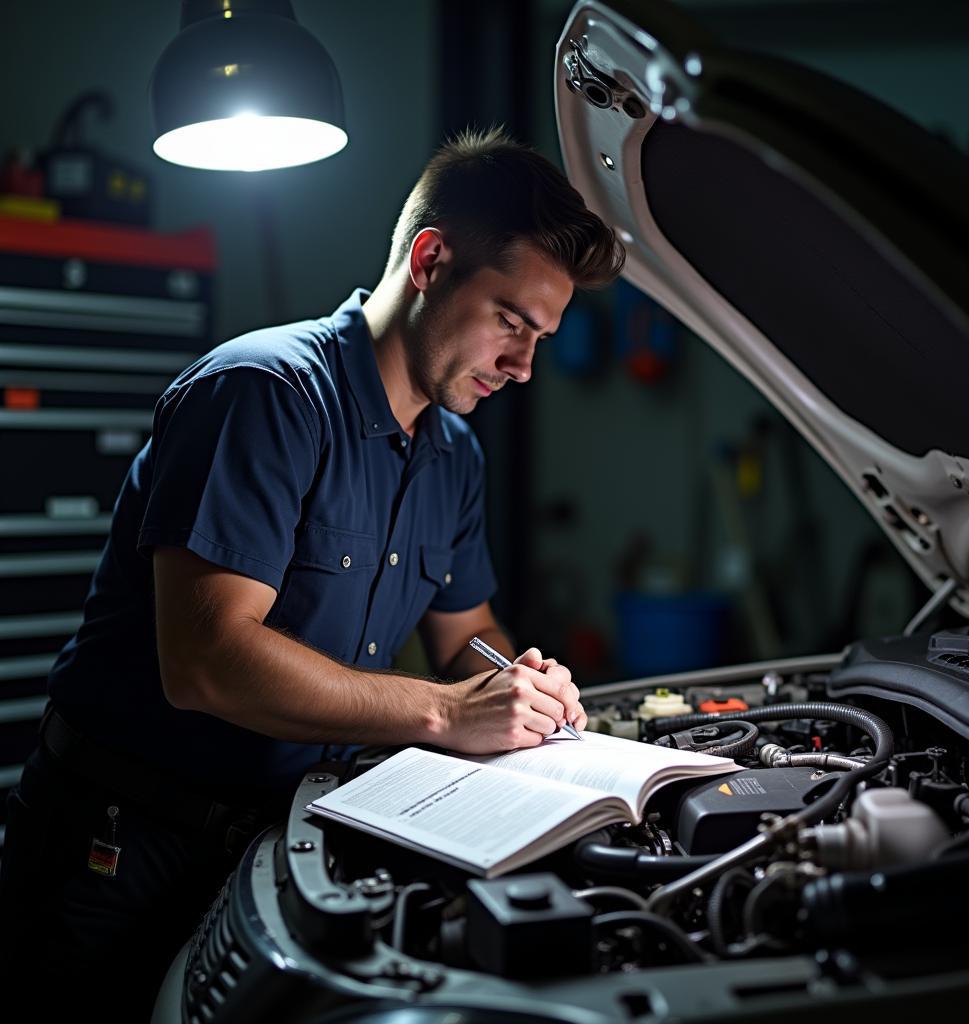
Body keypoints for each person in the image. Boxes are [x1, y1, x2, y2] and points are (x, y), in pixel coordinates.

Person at [0, 127, 624, 1018]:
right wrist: (449, 713)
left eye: (541, 337)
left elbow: (466, 636)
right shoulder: (264, 394)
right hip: (118, 844)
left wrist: (514, 678)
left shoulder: (452, 454)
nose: (523, 366)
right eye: (511, 323)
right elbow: (209, 659)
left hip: (273, 837)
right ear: (432, 260)